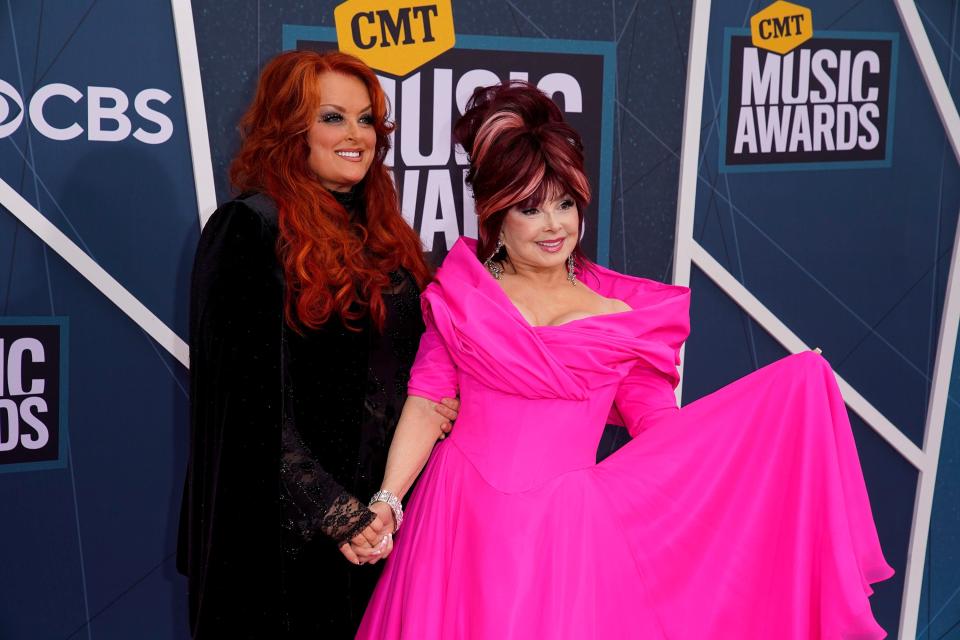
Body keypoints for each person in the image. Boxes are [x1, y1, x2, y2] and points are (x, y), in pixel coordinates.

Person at [355, 81, 894, 639]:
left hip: (564, 538)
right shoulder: (461, 294)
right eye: (530, 208)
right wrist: (389, 502)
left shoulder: (622, 319)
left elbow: (664, 434)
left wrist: (774, 406)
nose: (554, 226)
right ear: (494, 212)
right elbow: (427, 401)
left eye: (566, 204)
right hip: (456, 523)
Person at [175, 50, 458, 639]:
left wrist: (384, 508)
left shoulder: (389, 238)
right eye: (333, 117)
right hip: (282, 544)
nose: (356, 135)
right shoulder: (248, 230)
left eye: (366, 120)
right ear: (290, 127)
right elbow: (245, 411)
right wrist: (337, 514)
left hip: (389, 528)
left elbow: (417, 377)